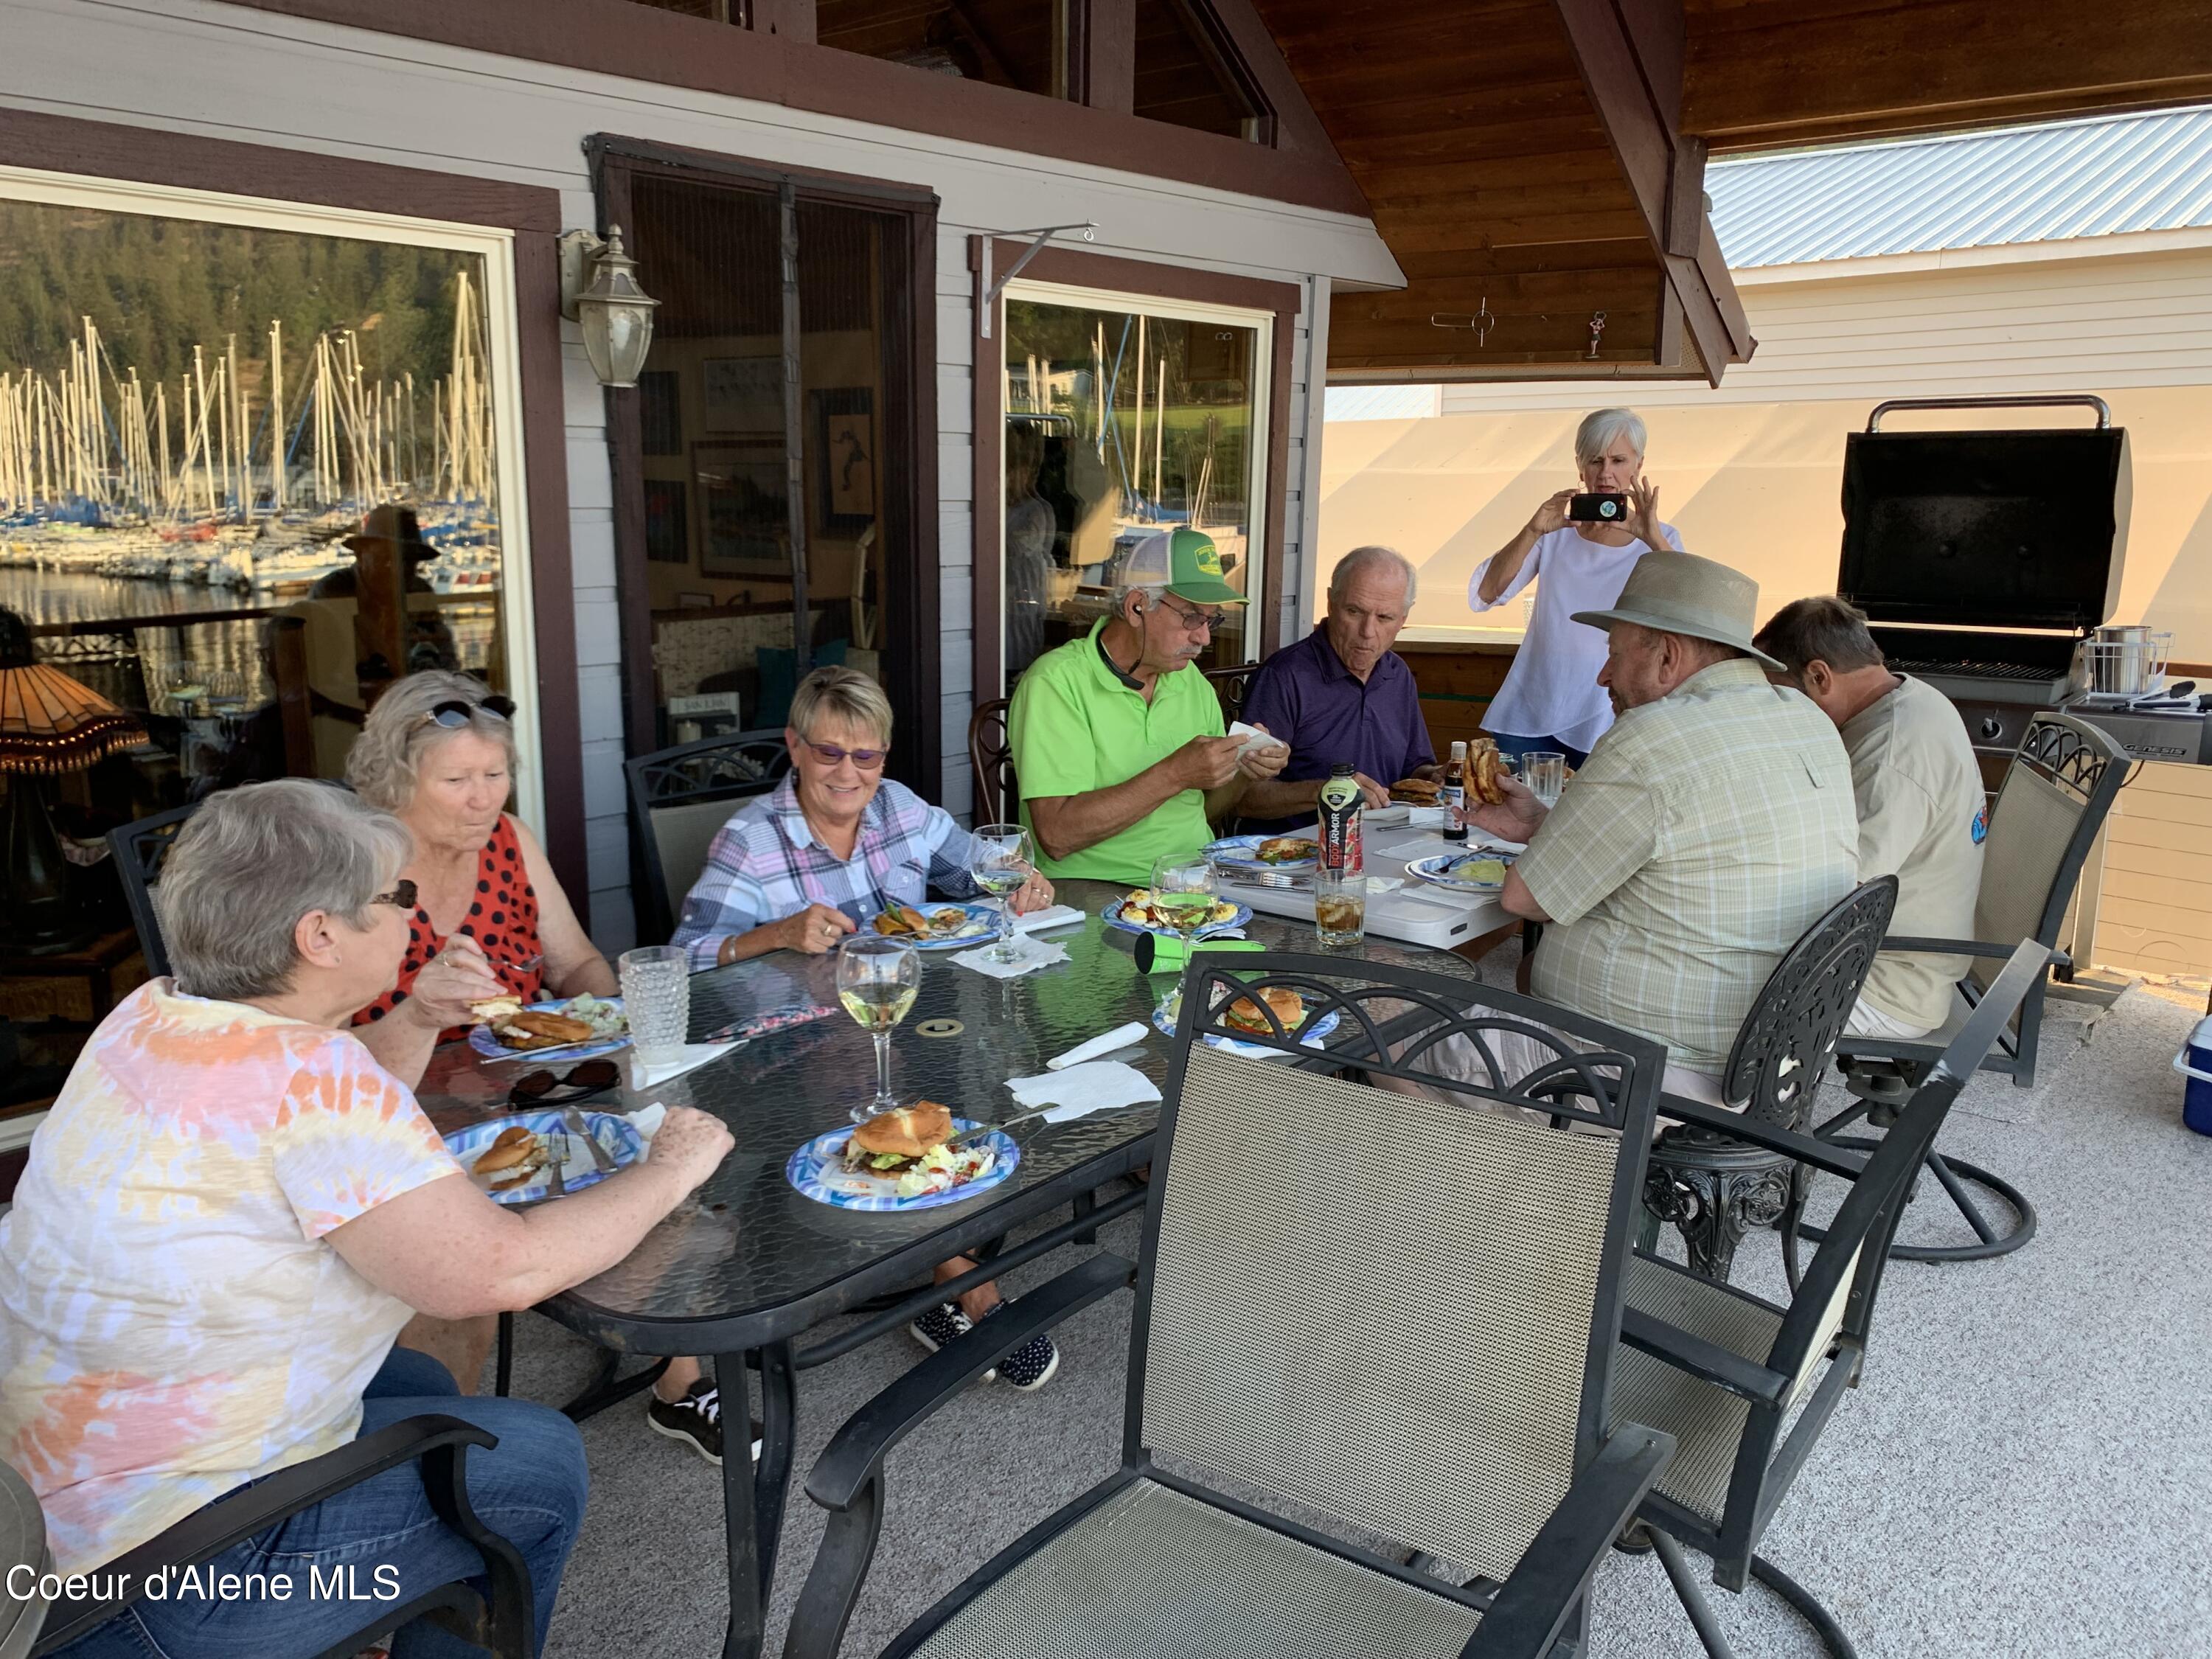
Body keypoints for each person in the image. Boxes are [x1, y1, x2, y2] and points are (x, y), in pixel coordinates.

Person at [0, 779, 732, 1658]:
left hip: (42, 1509)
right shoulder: (312, 1080)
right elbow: (502, 1270)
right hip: (157, 1578)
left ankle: (378, 1621)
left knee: (418, 1382)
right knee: (531, 1463)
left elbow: (313, 1126)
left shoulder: (153, 1016)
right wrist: (670, 1167)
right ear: (319, 936)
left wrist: (418, 1013)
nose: (412, 916)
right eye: (396, 896)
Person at [341, 672, 748, 1454]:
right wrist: (421, 1013)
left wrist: (620, 1029)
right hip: (402, 1108)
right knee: (448, 1248)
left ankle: (678, 1377)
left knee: (660, 1145)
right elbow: (320, 1052)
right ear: (396, 780)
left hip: (536, 1089)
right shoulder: (358, 867)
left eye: (494, 774)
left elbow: (577, 966)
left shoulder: (509, 841)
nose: (482, 798)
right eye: (457, 780)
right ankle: (441, 1442)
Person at [670, 665, 1066, 1390]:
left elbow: (980, 864)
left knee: (994, 1057)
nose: (849, 773)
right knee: (905, 1085)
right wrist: (775, 934)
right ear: (795, 746)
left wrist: (1020, 877)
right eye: (829, 752)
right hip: (784, 1051)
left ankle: (942, 1268)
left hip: (898, 1024)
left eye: (867, 755)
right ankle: (966, 1285)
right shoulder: (751, 841)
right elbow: (682, 960)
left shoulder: (898, 808)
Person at [1457, 553, 1858, 1096]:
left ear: (1667, 656)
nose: (1603, 675)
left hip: (1642, 1069)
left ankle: (1465, 1149)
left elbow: (1524, 899)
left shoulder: (1653, 735)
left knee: (1387, 1029)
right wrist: (1544, 826)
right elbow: (1695, 846)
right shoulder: (1806, 718)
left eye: (1613, 655)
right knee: (1524, 973)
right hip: (1769, 1060)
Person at [1754, 596, 1986, 1040]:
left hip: (1884, 987)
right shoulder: (1909, 698)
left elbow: (1836, 897)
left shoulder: (1891, 757)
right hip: (1889, 958)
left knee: (1691, 996)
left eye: (1778, 692)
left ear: (1819, 676)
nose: (1776, 709)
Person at [1009, 527, 1288, 883]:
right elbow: (1057, 837)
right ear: (1136, 606)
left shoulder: (1190, 681)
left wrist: (1245, 770)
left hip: (1197, 883)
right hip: (1093, 891)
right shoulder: (1057, 682)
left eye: (1211, 619)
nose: (1204, 637)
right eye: (1191, 617)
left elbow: (1202, 809)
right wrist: (1175, 773)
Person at [1467, 408, 1683, 768]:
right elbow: (1484, 595)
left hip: (1608, 711)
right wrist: (1532, 531)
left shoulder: (1663, 539)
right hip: (1531, 708)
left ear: (1638, 465)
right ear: (1580, 466)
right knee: (1508, 802)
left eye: (1618, 460)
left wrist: (1652, 538)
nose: (1606, 473)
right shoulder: (1555, 531)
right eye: (1595, 460)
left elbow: (1687, 613)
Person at [1237, 544, 1437, 832]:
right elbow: (1244, 798)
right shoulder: (1284, 676)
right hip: (1297, 848)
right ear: (1331, 603)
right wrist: (1327, 791)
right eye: (1355, 611)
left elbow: (1415, 770)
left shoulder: (1398, 674)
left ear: (1403, 619)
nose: (1367, 632)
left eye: (1384, 618)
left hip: (1386, 841)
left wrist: (1441, 776)